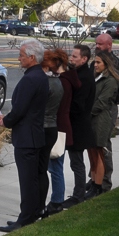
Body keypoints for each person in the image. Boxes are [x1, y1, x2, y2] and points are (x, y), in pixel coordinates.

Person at [0, 38, 49, 232]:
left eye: (21, 55)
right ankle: (33, 212)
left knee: (27, 180)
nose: (19, 59)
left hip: (27, 137)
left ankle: (25, 218)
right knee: (34, 178)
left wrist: (5, 121)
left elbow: (19, 110)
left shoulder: (30, 79)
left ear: (32, 57)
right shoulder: (41, 76)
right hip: (35, 134)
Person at [87, 54, 119, 199]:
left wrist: (87, 113)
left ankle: (98, 186)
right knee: (91, 153)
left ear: (106, 64)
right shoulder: (95, 77)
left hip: (100, 119)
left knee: (99, 153)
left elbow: (102, 102)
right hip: (90, 119)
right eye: (94, 62)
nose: (95, 65)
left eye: (98, 62)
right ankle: (92, 182)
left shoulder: (110, 80)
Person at [62, 44, 96, 209]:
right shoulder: (78, 74)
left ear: (84, 59)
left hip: (78, 127)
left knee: (77, 163)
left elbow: (78, 105)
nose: (71, 58)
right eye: (71, 55)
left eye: (75, 57)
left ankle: (78, 196)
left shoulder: (84, 77)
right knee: (76, 162)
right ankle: (78, 194)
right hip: (76, 126)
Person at [94, 33, 119, 192]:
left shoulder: (115, 64)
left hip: (107, 108)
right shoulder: (96, 61)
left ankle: (105, 182)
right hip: (95, 107)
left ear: (109, 45)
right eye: (96, 43)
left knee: (103, 145)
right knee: (94, 146)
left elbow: (109, 91)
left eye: (100, 44)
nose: (97, 46)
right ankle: (95, 178)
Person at [44, 49, 70, 216]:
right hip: (61, 125)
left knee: (55, 166)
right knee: (56, 166)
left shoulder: (60, 83)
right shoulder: (67, 80)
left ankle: (57, 201)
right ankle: (57, 199)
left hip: (57, 126)